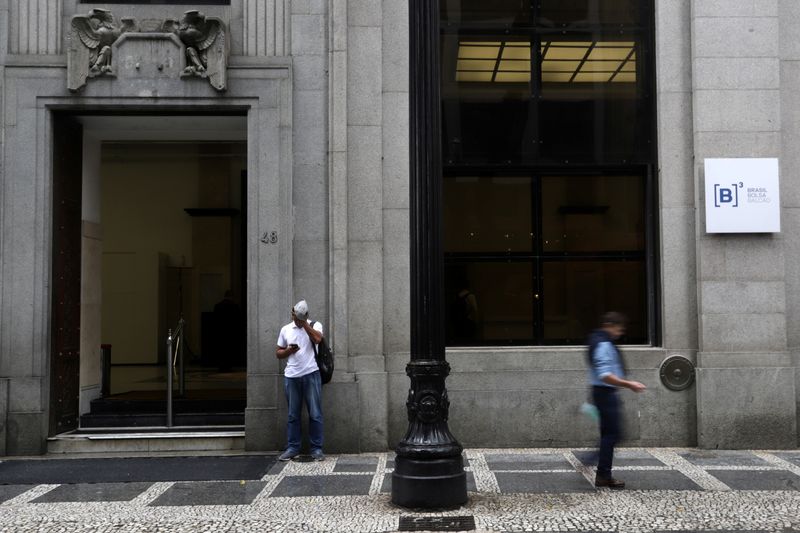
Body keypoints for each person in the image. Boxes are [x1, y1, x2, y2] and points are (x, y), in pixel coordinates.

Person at [586, 311, 646, 489]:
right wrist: (629, 384)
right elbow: (605, 375)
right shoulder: (603, 344)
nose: (620, 333)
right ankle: (598, 469)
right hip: (605, 392)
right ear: (610, 326)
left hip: (602, 392)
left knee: (609, 434)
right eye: (619, 329)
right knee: (613, 434)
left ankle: (602, 474)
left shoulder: (599, 340)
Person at [276, 300, 325, 461]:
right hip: (291, 376)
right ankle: (292, 447)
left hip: (311, 374)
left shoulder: (315, 325)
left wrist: (305, 325)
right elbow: (278, 353)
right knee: (292, 415)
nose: (296, 321)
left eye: (299, 318)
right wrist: (289, 350)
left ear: (305, 316)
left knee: (315, 414)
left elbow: (318, 339)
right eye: (295, 318)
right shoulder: (285, 329)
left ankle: (316, 449)